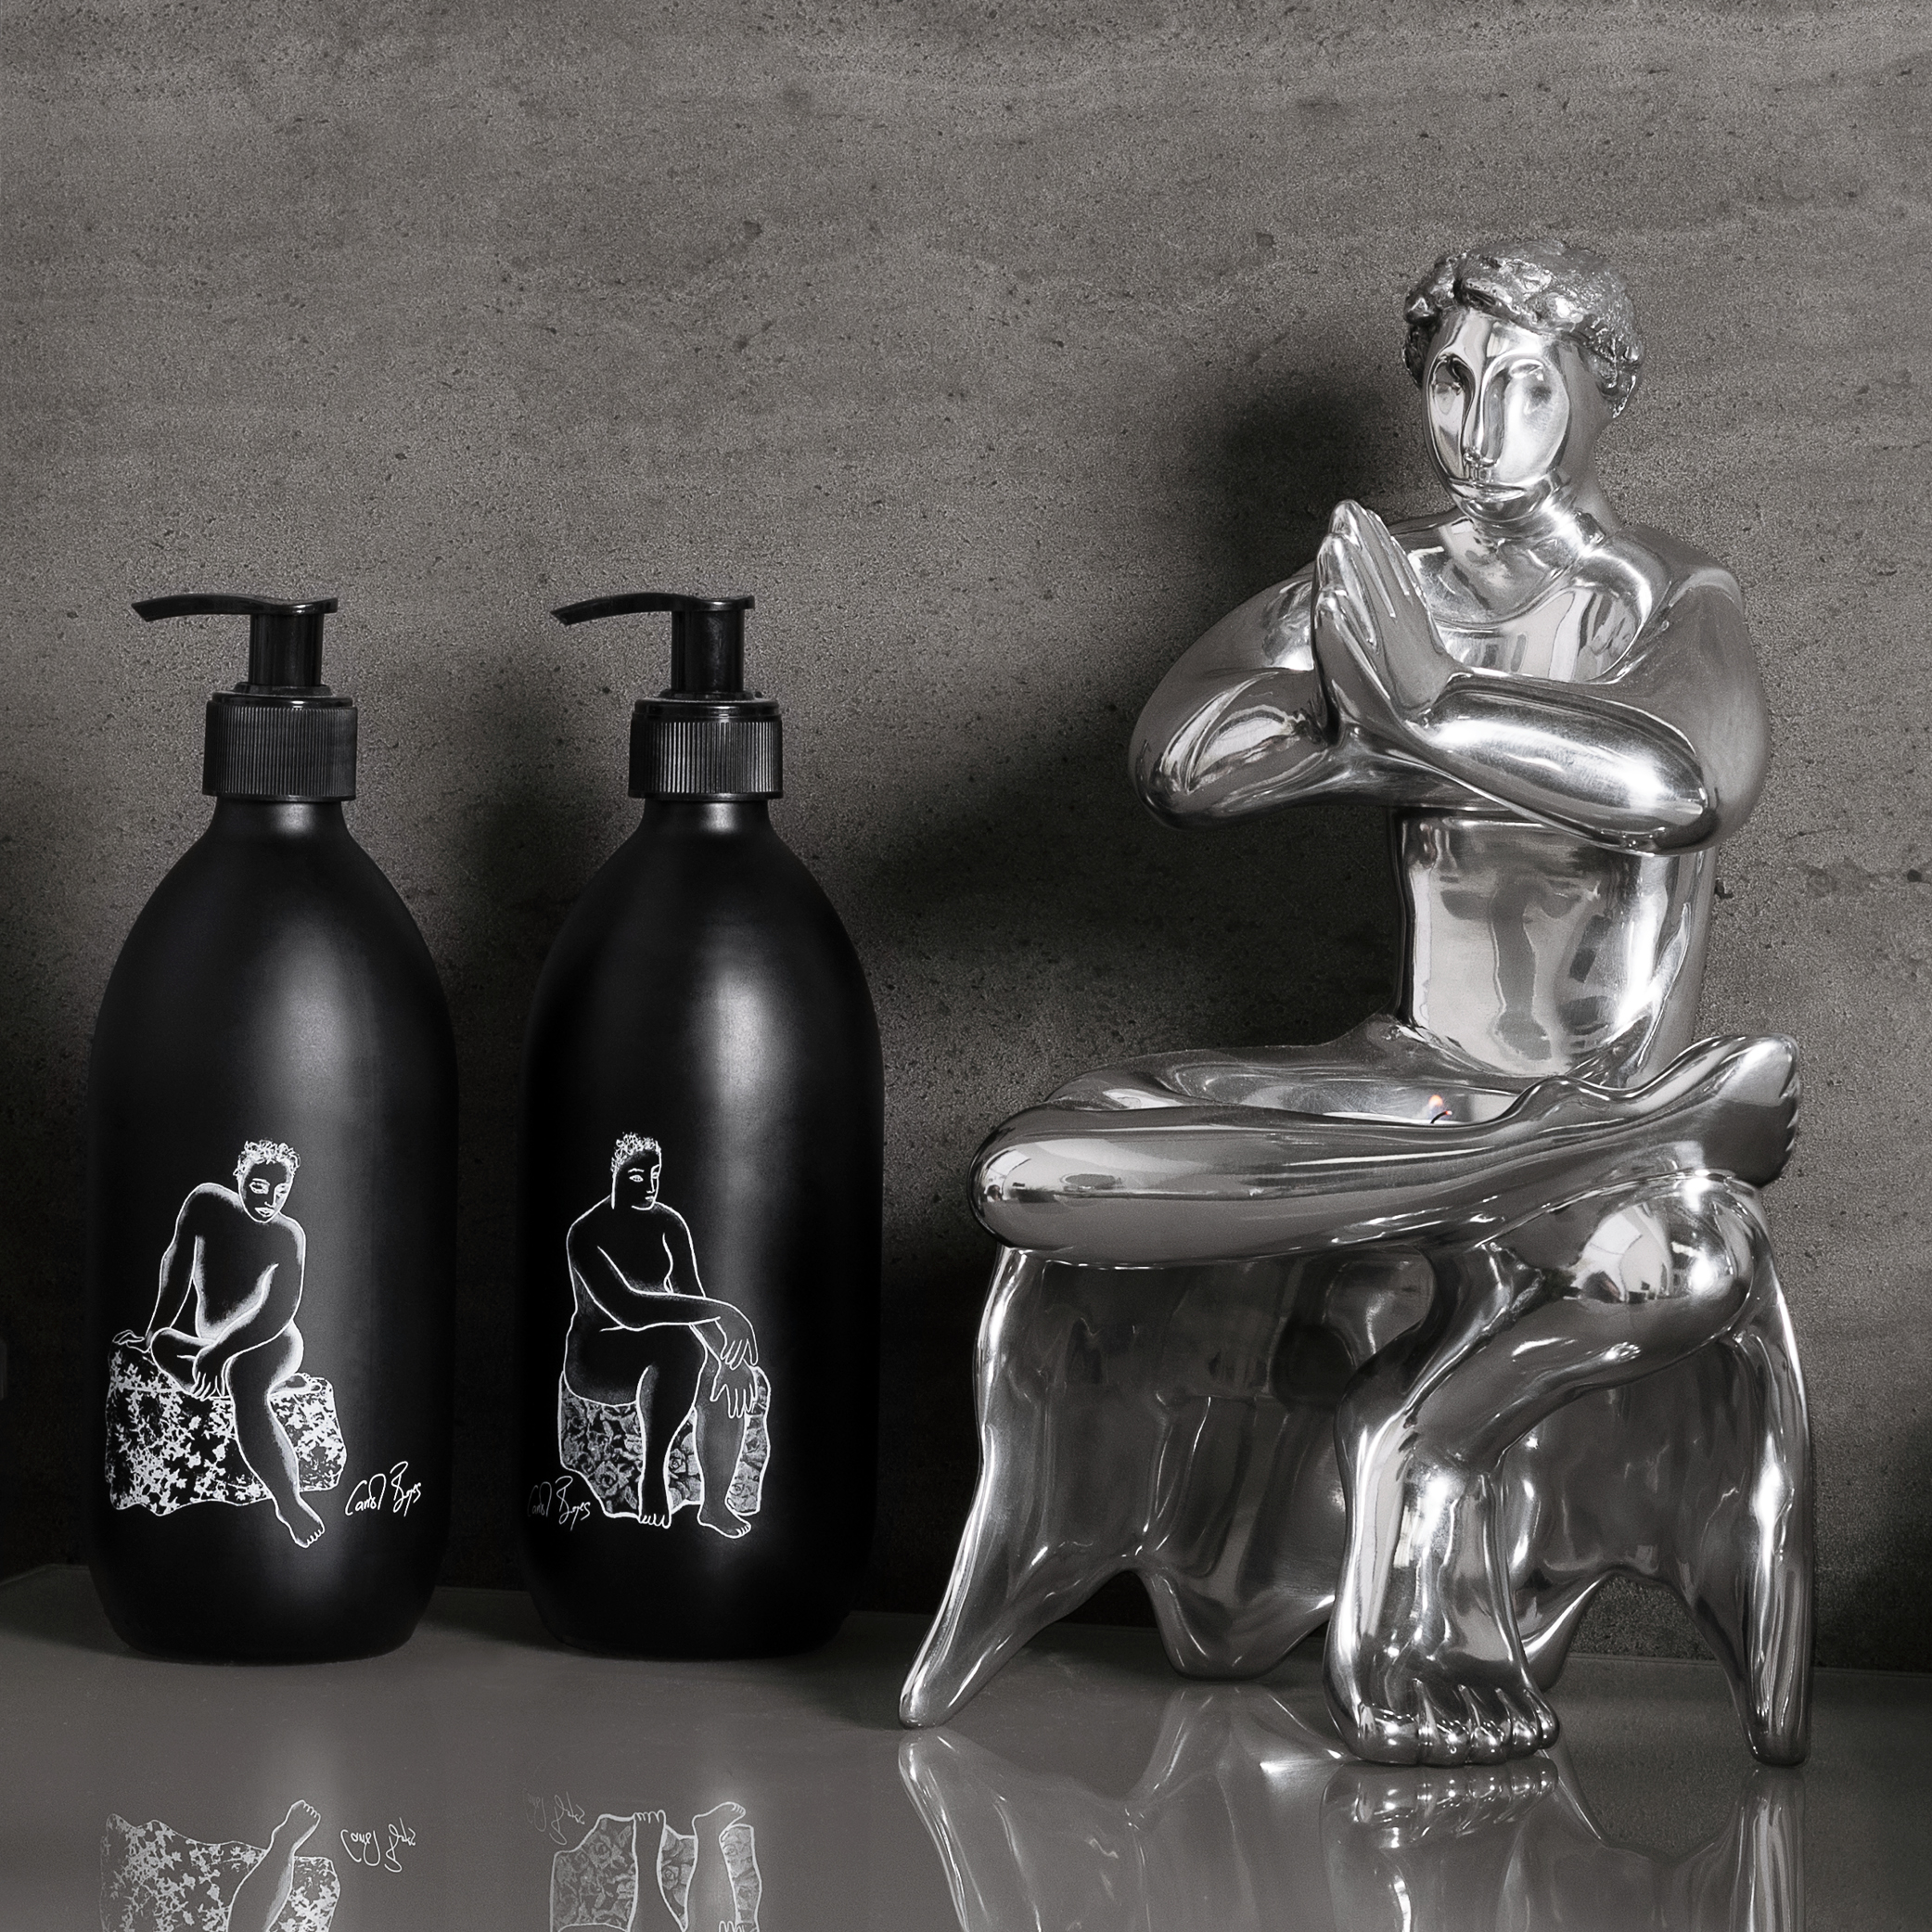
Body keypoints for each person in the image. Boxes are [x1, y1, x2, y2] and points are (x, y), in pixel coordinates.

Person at [958, 240, 1801, 1764]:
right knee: (1034, 1169)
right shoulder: (1383, 572)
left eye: (1525, 383)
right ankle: (1588, 1147)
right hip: (1414, 1085)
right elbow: (1177, 760)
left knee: (1685, 1264)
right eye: (1452, 380)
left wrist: (1424, 709)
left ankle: (1425, 1439)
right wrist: (1379, 726)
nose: (1481, 424)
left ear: (1595, 394)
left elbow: (1685, 780)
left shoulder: (1660, 591)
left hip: (1588, 1089)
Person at [121, 1139, 324, 1547]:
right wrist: (152, 1332)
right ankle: (214, 1382)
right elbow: (176, 1264)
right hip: (213, 1345)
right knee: (163, 1346)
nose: (269, 1200)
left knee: (245, 1379)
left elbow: (276, 1313)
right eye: (259, 1186)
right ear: (239, 1176)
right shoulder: (206, 1202)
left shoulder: (288, 1235)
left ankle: (289, 1503)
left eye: (280, 1191)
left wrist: (221, 1352)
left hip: (272, 1342)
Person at [562, 1134, 761, 1535]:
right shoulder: (585, 1233)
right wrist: (727, 1311)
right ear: (616, 1174)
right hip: (599, 1356)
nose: (650, 1185)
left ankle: (715, 1506)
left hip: (666, 1350)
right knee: (679, 1345)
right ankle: (653, 1477)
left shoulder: (669, 1223)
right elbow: (632, 1310)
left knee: (718, 1374)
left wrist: (729, 1358)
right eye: (637, 1176)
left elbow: (691, 1298)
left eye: (655, 1174)